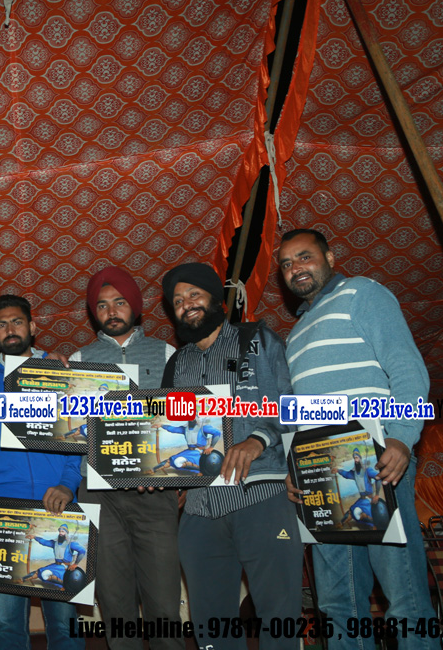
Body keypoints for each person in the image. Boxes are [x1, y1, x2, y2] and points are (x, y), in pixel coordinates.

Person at [278, 228, 437, 650]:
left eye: (305, 256)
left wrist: (401, 437)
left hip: (375, 459)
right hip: (320, 471)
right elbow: (297, 413)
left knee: (403, 595)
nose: (296, 268)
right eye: (287, 264)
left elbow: (406, 367)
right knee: (336, 603)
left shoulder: (362, 293)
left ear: (330, 257)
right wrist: (295, 468)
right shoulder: (294, 335)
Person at [161, 261, 302, 650]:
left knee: (279, 614)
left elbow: (292, 402)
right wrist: (165, 476)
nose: (186, 304)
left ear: (216, 299)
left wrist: (258, 438)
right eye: (177, 300)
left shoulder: (256, 339)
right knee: (212, 627)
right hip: (201, 508)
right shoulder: (176, 363)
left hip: (260, 494)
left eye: (194, 294)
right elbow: (171, 432)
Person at [68, 267, 182, 650]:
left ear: (135, 306)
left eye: (119, 302)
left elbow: (185, 422)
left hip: (155, 493)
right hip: (99, 495)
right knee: (115, 607)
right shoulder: (79, 359)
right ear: (93, 312)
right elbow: (68, 430)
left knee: (164, 605)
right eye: (102, 305)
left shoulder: (167, 354)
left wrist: (181, 479)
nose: (111, 311)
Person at [0, 294, 83, 649]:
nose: (10, 329)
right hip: (1, 511)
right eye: (1, 324)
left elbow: (77, 436)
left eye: (17, 321)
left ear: (32, 327)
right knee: (8, 626)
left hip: (57, 507)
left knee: (64, 624)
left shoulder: (59, 370)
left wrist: (68, 484)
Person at [22, 524, 86, 590]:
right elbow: (44, 542)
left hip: (64, 568)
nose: (60, 533)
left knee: (47, 575)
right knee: (40, 572)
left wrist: (75, 564)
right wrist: (35, 537)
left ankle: (63, 585)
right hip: (55, 566)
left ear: (66, 533)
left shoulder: (71, 544)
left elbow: (82, 551)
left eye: (63, 531)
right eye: (60, 531)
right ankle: (22, 579)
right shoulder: (55, 543)